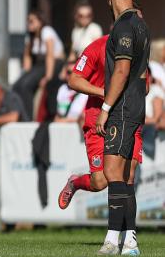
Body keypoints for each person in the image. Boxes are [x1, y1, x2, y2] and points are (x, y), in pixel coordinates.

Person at [95, 0, 149, 257]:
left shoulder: (124, 27)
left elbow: (122, 70)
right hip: (136, 104)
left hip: (123, 107)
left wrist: (105, 109)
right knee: (125, 177)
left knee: (113, 172)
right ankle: (129, 241)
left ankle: (112, 240)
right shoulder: (140, 24)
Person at [58, 34, 143, 214]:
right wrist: (105, 92)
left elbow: (146, 86)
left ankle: (124, 234)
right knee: (100, 181)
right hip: (97, 118)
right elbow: (74, 80)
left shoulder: (139, 49)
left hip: (127, 118)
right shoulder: (97, 47)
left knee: (128, 174)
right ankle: (75, 182)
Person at [13, 10, 65, 119]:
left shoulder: (46, 31)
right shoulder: (31, 36)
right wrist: (26, 73)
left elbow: (50, 55)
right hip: (41, 64)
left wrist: (48, 77)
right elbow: (27, 56)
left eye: (32, 21)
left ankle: (28, 117)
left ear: (40, 21)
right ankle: (20, 115)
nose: (29, 23)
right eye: (28, 21)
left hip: (54, 63)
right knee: (17, 85)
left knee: (25, 85)